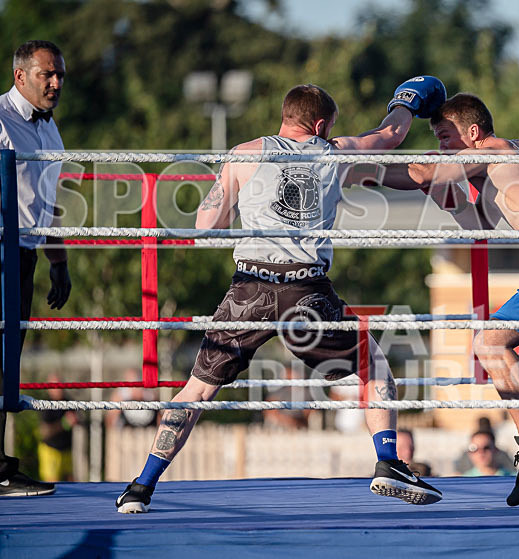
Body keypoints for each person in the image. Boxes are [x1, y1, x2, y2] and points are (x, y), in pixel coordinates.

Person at [116, 78, 446, 513]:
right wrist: (408, 98)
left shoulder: (244, 153)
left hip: (248, 286)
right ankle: (388, 463)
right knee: (373, 365)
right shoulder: (335, 152)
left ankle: (141, 488)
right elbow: (391, 135)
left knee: (196, 391)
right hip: (306, 288)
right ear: (322, 125)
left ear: (285, 117)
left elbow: (204, 226)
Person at [382, 93, 519, 505]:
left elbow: (424, 169)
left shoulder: (497, 149)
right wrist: (439, 195)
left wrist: (354, 163)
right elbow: (479, 221)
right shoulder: (501, 165)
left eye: (446, 136)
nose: (441, 146)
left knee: (487, 343)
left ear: (473, 133)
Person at [0, 40, 71, 497]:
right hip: (1, 250)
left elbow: (49, 201)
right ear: (20, 76)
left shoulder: (49, 130)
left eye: (60, 74)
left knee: (8, 364)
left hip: (24, 255)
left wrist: (58, 260)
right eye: (47, 74)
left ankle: (1, 468)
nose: (56, 82)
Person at [37, 374, 77, 482]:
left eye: (60, 385)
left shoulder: (69, 402)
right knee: (52, 485)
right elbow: (44, 432)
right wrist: (64, 424)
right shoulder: (46, 405)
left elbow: (78, 420)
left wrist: (76, 420)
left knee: (71, 482)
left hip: (67, 450)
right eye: (55, 386)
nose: (59, 388)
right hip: (51, 452)